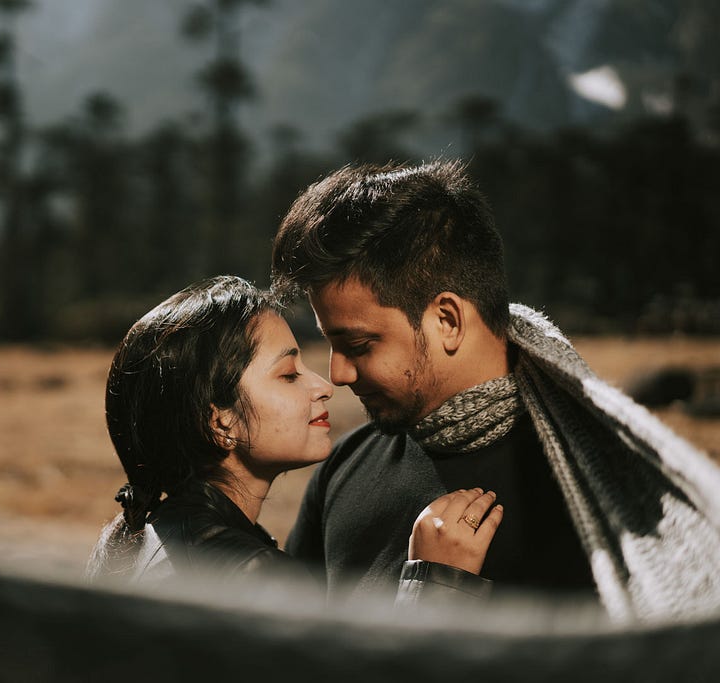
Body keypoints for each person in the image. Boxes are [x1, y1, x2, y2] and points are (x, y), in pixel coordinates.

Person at [270, 160, 720, 621]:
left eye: (359, 345)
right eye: (330, 344)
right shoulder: (343, 469)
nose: (338, 373)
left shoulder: (609, 495)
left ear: (447, 320)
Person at [86, 275, 501, 602]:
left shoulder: (142, 536)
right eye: (288, 375)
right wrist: (435, 589)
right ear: (220, 421)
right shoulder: (252, 579)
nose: (324, 384)